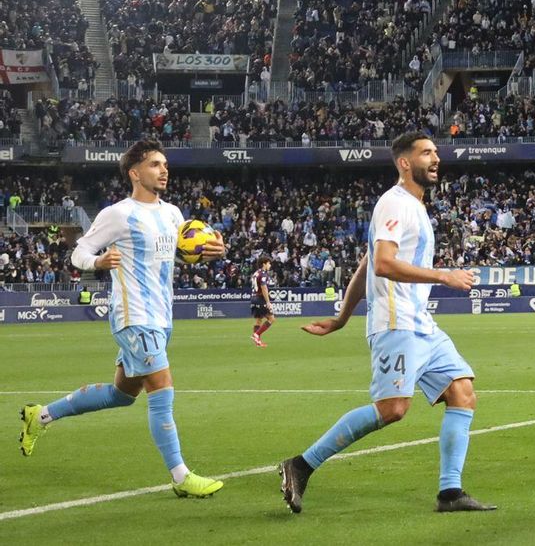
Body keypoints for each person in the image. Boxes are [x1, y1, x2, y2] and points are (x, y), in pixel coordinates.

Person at [278, 132, 494, 514]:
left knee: (462, 392)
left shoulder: (412, 206)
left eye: (436, 153)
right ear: (404, 163)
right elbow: (382, 264)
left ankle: (450, 493)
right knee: (393, 408)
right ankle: (300, 465)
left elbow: (365, 264)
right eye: (426, 153)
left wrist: (342, 317)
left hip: (420, 323)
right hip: (396, 321)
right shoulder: (395, 204)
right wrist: (443, 276)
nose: (435, 158)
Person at [18, 139, 228, 498]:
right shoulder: (118, 214)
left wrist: (211, 253)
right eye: (155, 164)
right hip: (133, 316)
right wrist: (97, 262)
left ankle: (40, 416)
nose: (164, 170)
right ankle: (180, 476)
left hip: (161, 316)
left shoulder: (174, 214)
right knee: (161, 387)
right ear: (135, 173)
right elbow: (78, 252)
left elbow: (176, 256)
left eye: (165, 164)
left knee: (122, 394)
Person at [251, 256, 276, 347]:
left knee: (258, 320)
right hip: (260, 298)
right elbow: (264, 287)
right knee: (271, 319)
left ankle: (257, 342)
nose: (270, 265)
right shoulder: (263, 274)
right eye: (268, 263)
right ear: (264, 264)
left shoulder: (256, 273)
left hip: (253, 298)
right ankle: (256, 334)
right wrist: (268, 302)